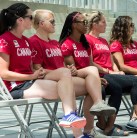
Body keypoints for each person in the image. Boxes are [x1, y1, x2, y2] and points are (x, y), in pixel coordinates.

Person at [0, 3, 86, 136]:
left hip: (31, 81)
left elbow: (29, 68)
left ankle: (70, 117)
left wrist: (37, 73)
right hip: (15, 87)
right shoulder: (4, 39)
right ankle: (77, 132)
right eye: (30, 17)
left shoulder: (26, 41)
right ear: (20, 20)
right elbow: (3, 74)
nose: (33, 19)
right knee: (67, 90)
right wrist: (31, 76)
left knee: (65, 74)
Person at [29, 9, 115, 137]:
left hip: (64, 76)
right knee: (92, 87)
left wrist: (70, 70)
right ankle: (85, 132)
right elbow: (37, 69)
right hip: (50, 79)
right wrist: (63, 72)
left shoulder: (54, 43)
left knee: (92, 73)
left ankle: (94, 115)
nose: (55, 24)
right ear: (41, 23)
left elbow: (62, 65)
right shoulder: (34, 41)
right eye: (52, 21)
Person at [85, 11, 137, 135]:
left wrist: (117, 71)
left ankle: (132, 120)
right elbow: (90, 63)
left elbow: (111, 61)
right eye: (103, 22)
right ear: (94, 24)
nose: (106, 25)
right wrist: (109, 71)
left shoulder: (103, 41)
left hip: (112, 74)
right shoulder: (87, 39)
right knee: (120, 87)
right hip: (100, 75)